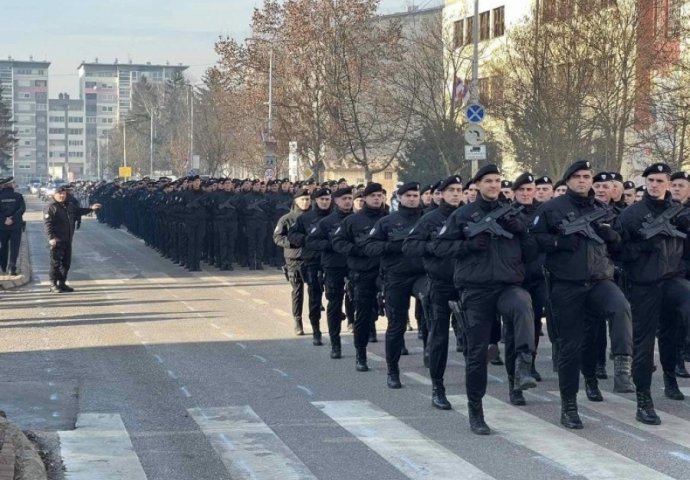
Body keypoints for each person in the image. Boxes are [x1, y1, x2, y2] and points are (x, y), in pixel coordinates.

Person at [432, 165, 537, 434]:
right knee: (477, 353)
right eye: (488, 181)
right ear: (477, 185)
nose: (494, 185)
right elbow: (439, 247)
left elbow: (533, 252)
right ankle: (475, 411)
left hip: (508, 285)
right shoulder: (462, 215)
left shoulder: (513, 214)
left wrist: (521, 231)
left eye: (498, 181)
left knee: (523, 303)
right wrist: (467, 246)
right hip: (476, 290)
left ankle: (525, 363)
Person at [532, 160, 633, 430]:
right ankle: (569, 406)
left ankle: (622, 365)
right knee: (571, 347)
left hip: (600, 280)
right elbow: (533, 240)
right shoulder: (551, 209)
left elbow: (621, 247)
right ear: (567, 181)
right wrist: (559, 243)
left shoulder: (603, 209)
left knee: (621, 307)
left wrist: (613, 237)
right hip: (567, 285)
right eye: (576, 176)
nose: (582, 180)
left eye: (586, 176)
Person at [615, 163, 690, 425]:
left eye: (660, 180)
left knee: (676, 327)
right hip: (643, 284)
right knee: (644, 343)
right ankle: (643, 399)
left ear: (669, 184)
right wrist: (643, 246)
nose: (655, 184)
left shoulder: (679, 212)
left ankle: (671, 377)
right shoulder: (632, 215)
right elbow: (619, 253)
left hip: (673, 280)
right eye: (651, 180)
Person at [403, 175, 463, 409]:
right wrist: (434, 247)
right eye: (451, 190)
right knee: (439, 336)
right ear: (441, 194)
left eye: (459, 189)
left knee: (474, 337)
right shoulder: (430, 219)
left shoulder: (468, 214)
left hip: (468, 283)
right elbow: (410, 246)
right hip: (440, 283)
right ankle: (438, 387)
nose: (456, 194)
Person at [364, 182, 426, 389]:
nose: (412, 198)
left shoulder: (426, 219)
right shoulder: (387, 222)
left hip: (421, 275)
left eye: (415, 195)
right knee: (396, 326)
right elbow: (370, 247)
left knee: (432, 312)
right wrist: (394, 247)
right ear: (399, 198)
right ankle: (393, 370)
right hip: (396, 277)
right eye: (408, 195)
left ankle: (431, 357)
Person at [332, 182, 387, 372]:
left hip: (386, 272)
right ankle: (361, 353)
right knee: (363, 316)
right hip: (362, 273)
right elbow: (338, 241)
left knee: (396, 313)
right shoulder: (353, 221)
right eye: (373, 196)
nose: (377, 199)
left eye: (380, 196)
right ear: (365, 199)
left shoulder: (388, 219)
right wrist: (354, 250)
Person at [306, 187, 353, 359]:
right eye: (343, 199)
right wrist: (331, 245)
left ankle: (360, 340)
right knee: (334, 303)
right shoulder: (327, 222)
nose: (347, 201)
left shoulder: (357, 219)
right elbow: (312, 240)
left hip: (355, 265)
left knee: (360, 301)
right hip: (334, 266)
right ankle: (335, 343)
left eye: (350, 198)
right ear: (336, 201)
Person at [288, 188, 332, 345]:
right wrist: (306, 240)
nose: (325, 202)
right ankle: (316, 329)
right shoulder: (305, 218)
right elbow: (292, 235)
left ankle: (336, 326)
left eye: (327, 199)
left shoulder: (336, 217)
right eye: (322, 199)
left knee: (334, 295)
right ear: (316, 201)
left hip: (333, 262)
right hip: (312, 261)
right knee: (314, 296)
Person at [44, 185, 102, 292]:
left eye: (64, 194)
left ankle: (62, 283)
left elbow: (79, 211)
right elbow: (48, 224)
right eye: (59, 194)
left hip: (68, 238)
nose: (62, 196)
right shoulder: (51, 207)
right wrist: (51, 238)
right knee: (55, 263)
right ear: (54, 195)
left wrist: (91, 209)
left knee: (66, 263)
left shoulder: (69, 205)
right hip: (57, 240)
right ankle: (53, 284)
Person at [273, 188, 312, 335]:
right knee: (297, 291)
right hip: (294, 258)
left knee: (315, 290)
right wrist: (293, 242)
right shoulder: (287, 219)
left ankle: (314, 319)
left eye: (308, 199)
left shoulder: (315, 217)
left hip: (312, 258)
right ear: (296, 201)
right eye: (303, 199)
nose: (306, 202)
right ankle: (298, 321)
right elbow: (277, 237)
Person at [0, 177, 26, 276]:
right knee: (14, 247)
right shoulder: (18, 196)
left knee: (3, 246)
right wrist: (13, 219)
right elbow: (22, 209)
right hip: (16, 226)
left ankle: (3, 266)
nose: (15, 184)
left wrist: (4, 219)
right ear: (11, 184)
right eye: (14, 183)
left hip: (2, 226)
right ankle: (12, 268)